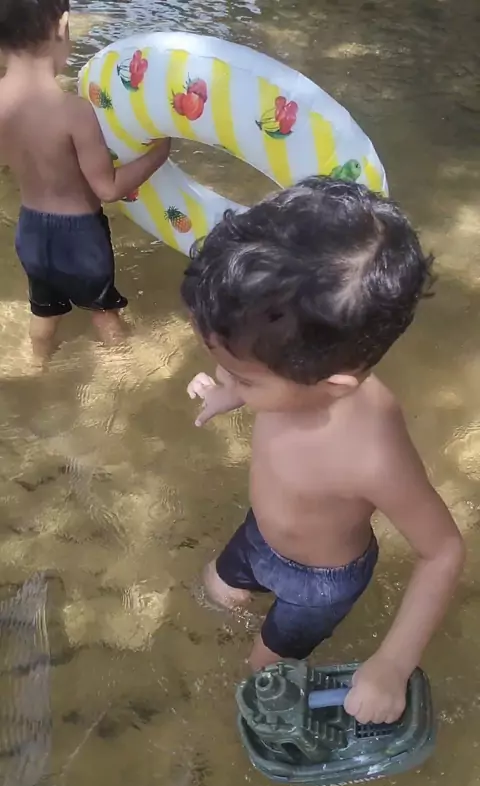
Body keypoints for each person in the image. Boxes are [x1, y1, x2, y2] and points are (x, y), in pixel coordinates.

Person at [182, 176, 465, 725]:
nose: (228, 376)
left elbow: (443, 552)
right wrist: (230, 393)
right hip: (258, 533)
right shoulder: (287, 369)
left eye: (244, 378)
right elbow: (252, 371)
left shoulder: (371, 454)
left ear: (332, 384)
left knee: (260, 673)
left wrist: (392, 663)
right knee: (214, 591)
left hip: (317, 583)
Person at [0, 0, 171, 363]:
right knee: (104, 313)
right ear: (62, 26)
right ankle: (123, 370)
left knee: (44, 312)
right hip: (80, 237)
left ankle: (37, 366)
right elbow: (107, 188)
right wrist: (158, 155)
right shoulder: (73, 111)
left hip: (30, 233)